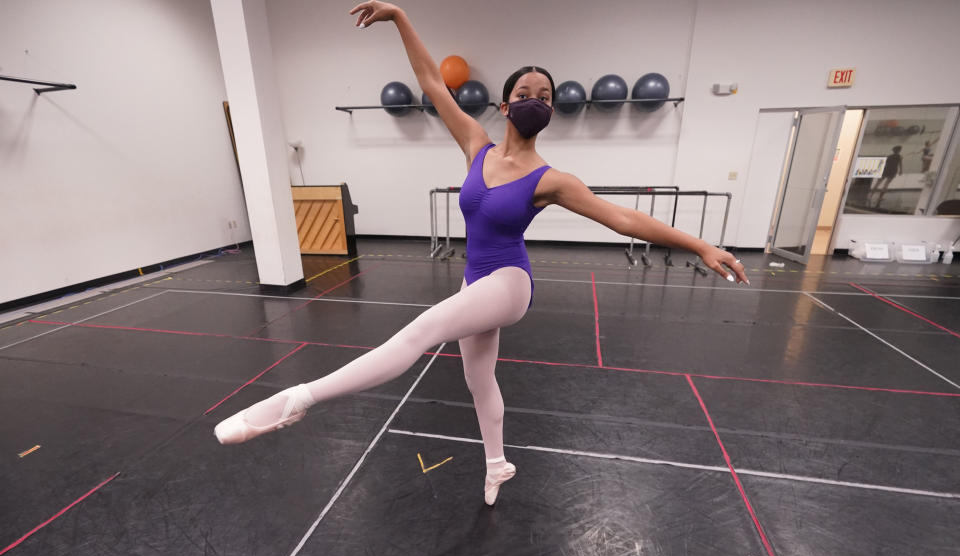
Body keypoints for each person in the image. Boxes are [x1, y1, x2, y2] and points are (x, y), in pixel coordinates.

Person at [215, 1, 750, 506]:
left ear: (551, 110)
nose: (534, 98)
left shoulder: (553, 180)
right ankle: (497, 463)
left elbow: (624, 218)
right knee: (477, 380)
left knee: (420, 330)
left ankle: (298, 399)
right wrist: (401, 17)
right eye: (525, 91)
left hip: (510, 283)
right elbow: (431, 83)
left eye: (545, 94)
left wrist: (701, 244)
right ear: (505, 104)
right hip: (476, 281)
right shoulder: (476, 144)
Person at [871, 145, 902, 209]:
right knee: (886, 185)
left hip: (885, 170)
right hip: (893, 171)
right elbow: (900, 165)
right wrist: (901, 171)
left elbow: (884, 163)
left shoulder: (889, 156)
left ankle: (870, 195)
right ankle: (880, 197)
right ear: (899, 151)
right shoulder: (899, 157)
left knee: (877, 183)